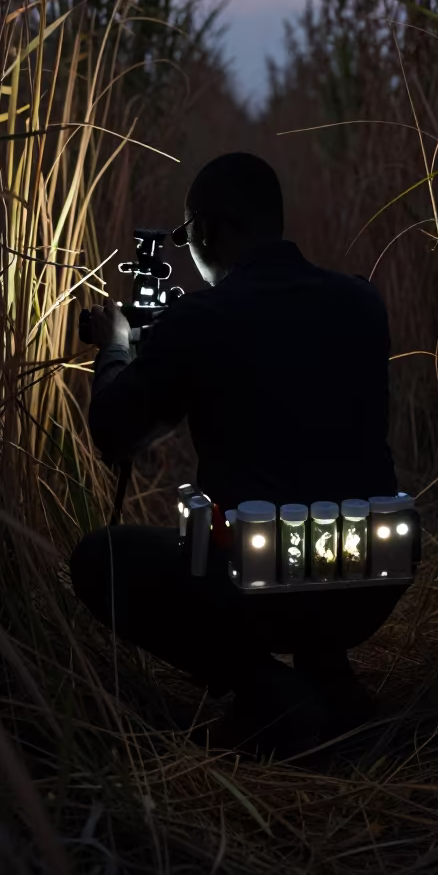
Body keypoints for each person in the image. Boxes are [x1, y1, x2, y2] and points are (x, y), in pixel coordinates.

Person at [70, 152, 409, 759]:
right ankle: (330, 671)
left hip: (259, 585)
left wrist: (119, 348)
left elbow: (116, 432)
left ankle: (270, 690)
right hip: (374, 578)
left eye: (188, 236)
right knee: (316, 504)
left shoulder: (202, 319)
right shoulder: (362, 302)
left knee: (101, 558)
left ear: (204, 230)